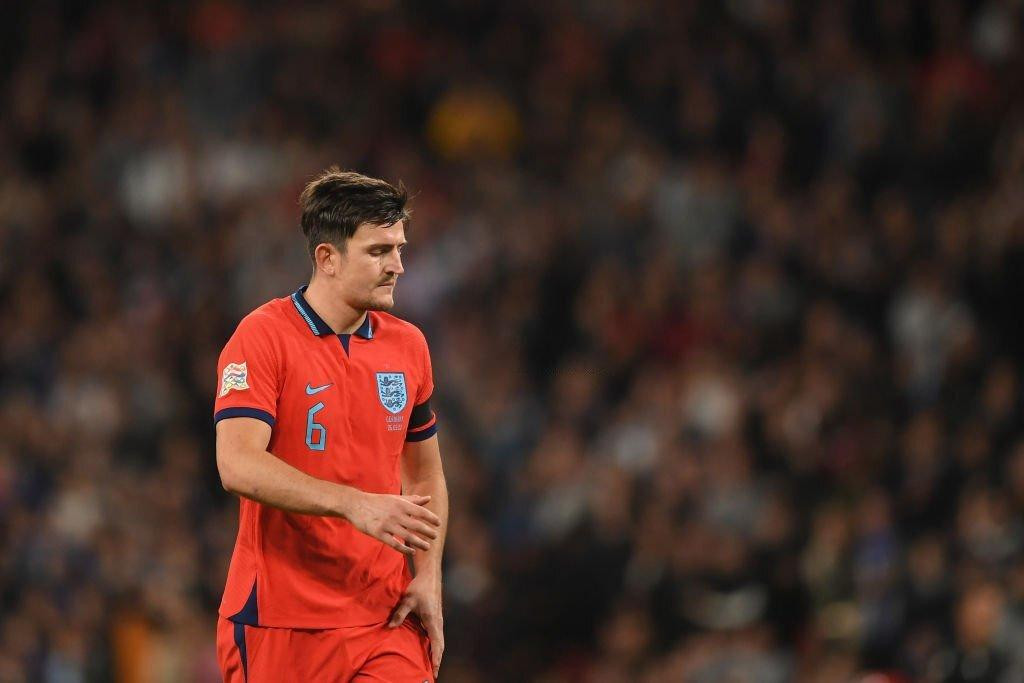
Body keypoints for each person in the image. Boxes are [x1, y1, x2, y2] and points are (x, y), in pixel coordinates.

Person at [212, 168, 448, 681]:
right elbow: (237, 464)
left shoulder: (409, 347)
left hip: (384, 618)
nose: (398, 267)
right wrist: (353, 503)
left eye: (400, 249)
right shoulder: (262, 337)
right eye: (379, 252)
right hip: (280, 620)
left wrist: (428, 578)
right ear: (327, 258)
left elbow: (425, 476)